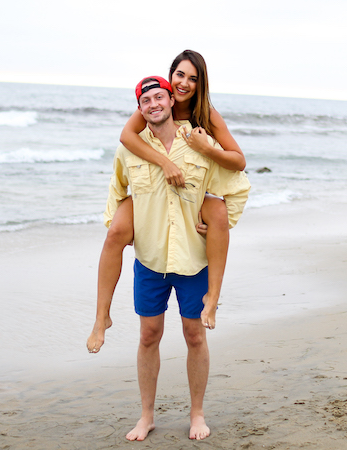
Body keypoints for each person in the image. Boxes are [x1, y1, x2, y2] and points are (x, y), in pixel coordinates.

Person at [105, 76, 249, 441]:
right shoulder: (129, 148)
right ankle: (146, 416)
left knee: (194, 336)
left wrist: (218, 224)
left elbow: (235, 183)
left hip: (191, 259)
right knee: (148, 335)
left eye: (159, 97)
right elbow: (117, 192)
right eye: (145, 101)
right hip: (150, 260)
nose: (153, 104)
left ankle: (197, 414)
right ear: (139, 109)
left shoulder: (199, 142)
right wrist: (122, 229)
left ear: (171, 100)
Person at [87, 50, 245, 354]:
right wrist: (164, 163)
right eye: (180, 75)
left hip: (195, 187)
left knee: (220, 213)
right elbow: (127, 138)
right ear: (171, 77)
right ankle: (101, 317)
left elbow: (238, 162)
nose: (184, 83)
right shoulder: (156, 98)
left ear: (201, 84)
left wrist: (205, 147)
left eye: (193, 78)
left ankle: (212, 297)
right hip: (154, 187)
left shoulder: (206, 114)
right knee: (115, 232)